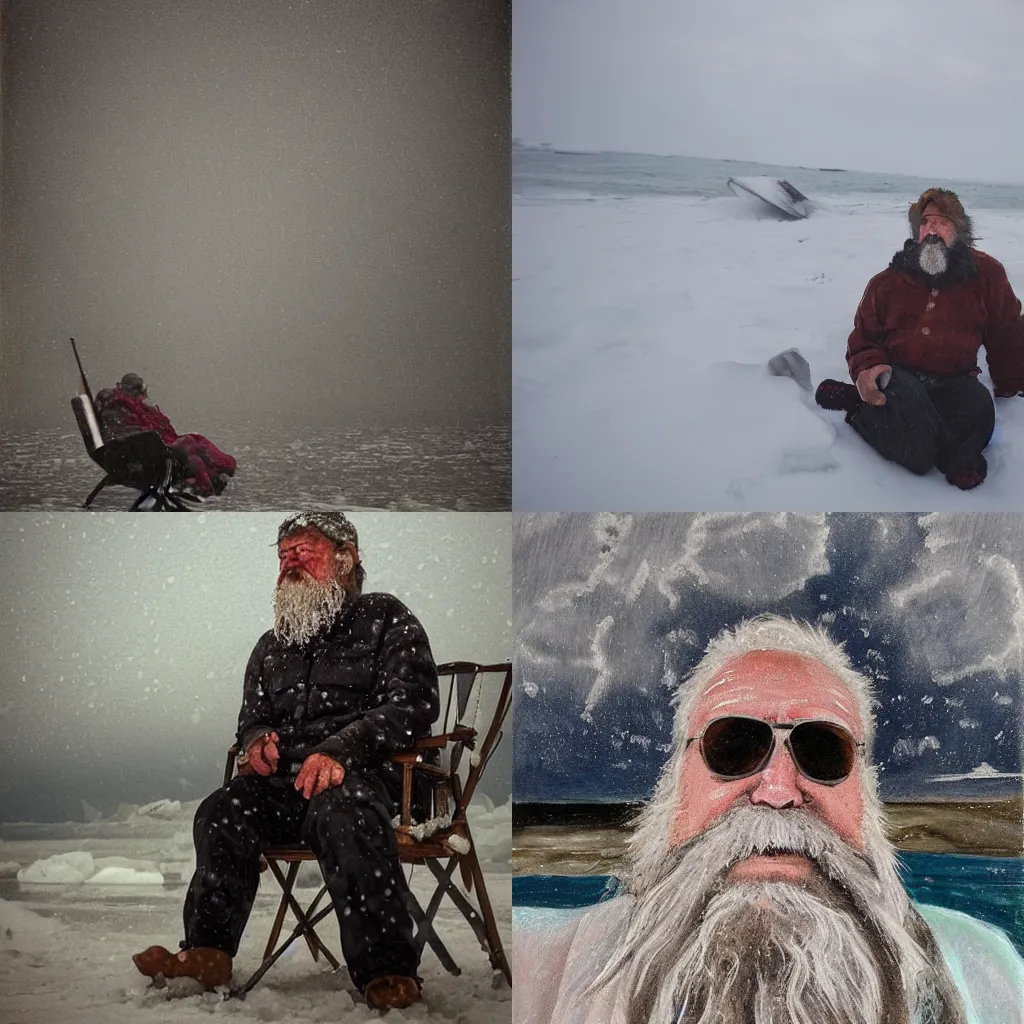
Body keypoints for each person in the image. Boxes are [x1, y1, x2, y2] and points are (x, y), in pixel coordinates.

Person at [513, 614, 1024, 1024]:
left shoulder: (986, 972)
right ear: (673, 790)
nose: (778, 791)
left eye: (823, 751)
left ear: (865, 799)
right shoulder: (539, 964)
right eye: (734, 746)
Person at [132, 512, 440, 1012]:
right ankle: (208, 950)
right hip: (286, 788)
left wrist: (341, 749)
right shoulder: (272, 645)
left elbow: (415, 706)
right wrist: (255, 740)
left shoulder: (386, 618)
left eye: (305, 549)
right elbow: (250, 719)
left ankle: (386, 969)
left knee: (346, 811)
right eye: (283, 555)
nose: (289, 562)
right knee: (222, 809)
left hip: (371, 779)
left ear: (346, 558)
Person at [815, 188, 1024, 490]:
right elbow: (864, 336)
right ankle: (858, 406)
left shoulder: (987, 275)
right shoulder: (887, 282)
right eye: (926, 222)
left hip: (955, 379)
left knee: (979, 412)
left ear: (960, 231)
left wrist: (1010, 383)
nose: (932, 229)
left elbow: (1005, 331)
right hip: (899, 376)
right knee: (918, 451)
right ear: (916, 232)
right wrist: (867, 367)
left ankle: (948, 449)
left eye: (942, 222)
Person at [93, 373, 237, 497]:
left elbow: (129, 432)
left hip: (139, 455)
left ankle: (207, 480)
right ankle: (206, 481)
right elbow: (129, 434)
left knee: (191, 444)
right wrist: (156, 439)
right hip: (141, 458)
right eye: (138, 392)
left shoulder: (118, 405)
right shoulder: (118, 407)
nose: (141, 398)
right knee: (189, 444)